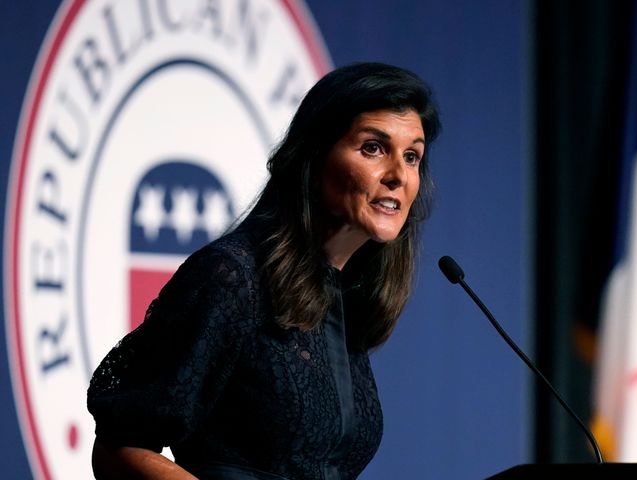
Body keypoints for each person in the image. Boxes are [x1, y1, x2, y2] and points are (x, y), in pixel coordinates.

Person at [86, 61, 441, 480]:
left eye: (412, 156)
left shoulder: (343, 297)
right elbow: (119, 446)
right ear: (314, 156)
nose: (398, 175)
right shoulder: (232, 278)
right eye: (373, 148)